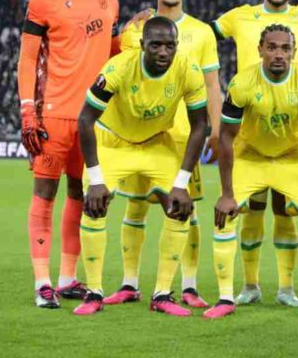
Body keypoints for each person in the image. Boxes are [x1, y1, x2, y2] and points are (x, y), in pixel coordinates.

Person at [102, 0, 221, 309]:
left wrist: (216, 130)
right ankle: (129, 283)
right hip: (142, 136)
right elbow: (121, 73)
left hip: (185, 135)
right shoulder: (136, 30)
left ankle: (189, 286)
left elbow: (212, 84)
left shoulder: (202, 32)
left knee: (187, 210)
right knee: (136, 207)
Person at [212, 0, 298, 307]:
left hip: (289, 131)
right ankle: (248, 287)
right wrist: (158, 15)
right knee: (248, 212)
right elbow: (201, 35)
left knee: (285, 211)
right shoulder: (239, 17)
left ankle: (288, 290)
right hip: (250, 131)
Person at [74, 16, 208, 317]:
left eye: (169, 45)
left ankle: (162, 294)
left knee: (180, 209)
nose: (163, 52)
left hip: (155, 143)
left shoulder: (188, 69)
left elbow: (201, 125)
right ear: (142, 44)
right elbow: (85, 119)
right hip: (114, 142)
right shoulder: (119, 67)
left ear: (177, 45)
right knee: (94, 207)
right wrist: (96, 179)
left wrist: (181, 183)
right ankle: (94, 292)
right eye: (156, 45)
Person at [17, 0, 120, 308]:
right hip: (54, 115)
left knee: (80, 193)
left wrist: (135, 34)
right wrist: (27, 109)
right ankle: (42, 283)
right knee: (45, 194)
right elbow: (27, 58)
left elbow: (113, 52)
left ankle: (66, 277)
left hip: (92, 118)